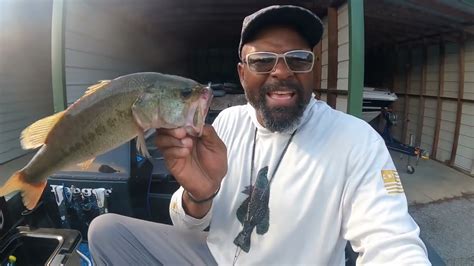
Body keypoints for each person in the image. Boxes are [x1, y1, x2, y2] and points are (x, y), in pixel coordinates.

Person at [88, 5, 430, 265]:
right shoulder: (225, 125)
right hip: (216, 257)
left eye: (298, 59)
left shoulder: (355, 140)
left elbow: (392, 242)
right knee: (105, 232)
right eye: (263, 61)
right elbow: (188, 227)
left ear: (312, 69)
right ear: (241, 73)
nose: (281, 72)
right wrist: (199, 196)